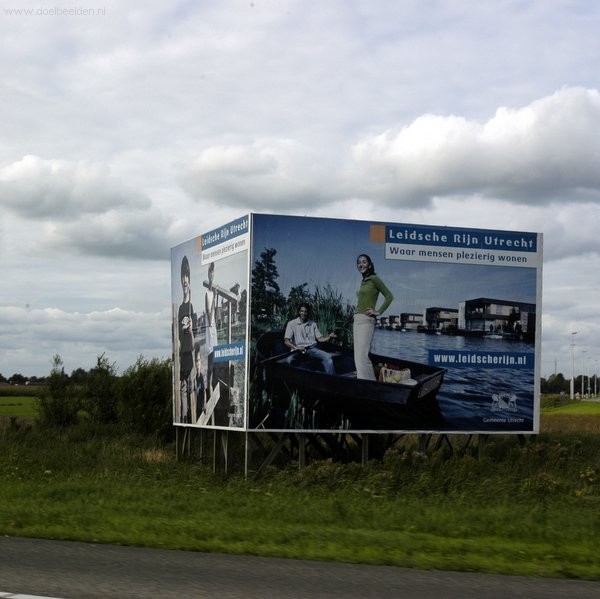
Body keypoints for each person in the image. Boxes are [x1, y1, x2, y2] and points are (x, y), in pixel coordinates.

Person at [354, 254, 393, 380]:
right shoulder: (363, 281)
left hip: (367, 320)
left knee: (362, 356)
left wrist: (378, 311)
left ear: (370, 265)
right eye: (359, 262)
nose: (361, 264)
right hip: (357, 319)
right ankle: (364, 380)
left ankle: (369, 383)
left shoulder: (374, 279)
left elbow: (389, 296)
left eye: (364, 262)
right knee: (357, 356)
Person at [284, 303, 337, 375]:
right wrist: (296, 347)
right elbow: (286, 341)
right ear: (299, 312)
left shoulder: (313, 323)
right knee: (290, 359)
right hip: (298, 350)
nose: (303, 313)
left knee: (328, 357)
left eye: (305, 311)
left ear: (308, 313)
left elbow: (320, 339)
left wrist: (329, 337)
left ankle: (331, 378)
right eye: (302, 311)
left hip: (312, 349)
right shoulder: (291, 323)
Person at [177, 255, 196, 422]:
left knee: (191, 388)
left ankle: (193, 417)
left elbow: (194, 340)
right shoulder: (180, 308)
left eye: (186, 276)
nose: (184, 279)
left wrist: (191, 331)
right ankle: (184, 419)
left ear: (189, 279)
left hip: (190, 354)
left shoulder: (191, 307)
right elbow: (177, 336)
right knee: (182, 389)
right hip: (181, 356)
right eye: (182, 276)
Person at [204, 262, 218, 396]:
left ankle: (212, 385)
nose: (212, 275)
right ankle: (208, 386)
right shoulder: (208, 293)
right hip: (210, 328)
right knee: (210, 360)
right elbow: (209, 312)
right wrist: (214, 299)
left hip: (213, 327)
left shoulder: (213, 292)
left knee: (214, 360)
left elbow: (213, 312)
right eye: (210, 273)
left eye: (213, 273)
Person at [193, 345, 206, 421]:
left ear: (201, 361)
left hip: (200, 407)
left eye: (198, 360)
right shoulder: (194, 377)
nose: (197, 363)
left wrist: (204, 404)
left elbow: (204, 391)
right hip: (194, 407)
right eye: (196, 361)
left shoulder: (201, 376)